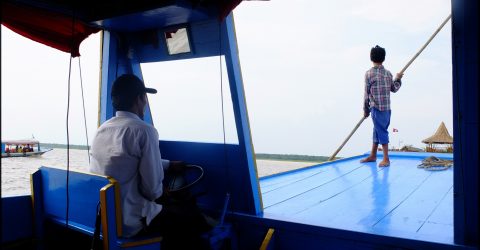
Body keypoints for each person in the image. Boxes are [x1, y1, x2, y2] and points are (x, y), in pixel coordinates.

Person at [89, 74, 210, 249]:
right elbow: (152, 191)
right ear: (139, 99)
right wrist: (164, 192)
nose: (145, 103)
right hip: (131, 222)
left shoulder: (102, 129)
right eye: (144, 98)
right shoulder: (145, 131)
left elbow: (125, 161)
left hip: (106, 217)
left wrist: (168, 165)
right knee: (193, 219)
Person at [360, 45, 403, 167]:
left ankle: (386, 158)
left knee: (381, 131)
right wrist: (398, 79)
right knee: (377, 130)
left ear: (371, 58)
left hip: (376, 108)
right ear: (383, 58)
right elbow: (394, 88)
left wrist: (365, 109)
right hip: (387, 109)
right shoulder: (388, 74)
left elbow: (366, 93)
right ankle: (373, 155)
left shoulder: (368, 74)